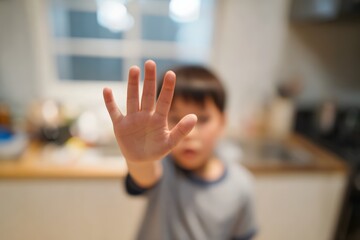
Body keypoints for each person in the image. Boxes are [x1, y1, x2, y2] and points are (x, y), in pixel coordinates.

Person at [103, 60, 257, 240]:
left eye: (204, 119)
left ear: (223, 122)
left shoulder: (241, 185)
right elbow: (145, 175)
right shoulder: (164, 166)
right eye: (176, 118)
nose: (189, 132)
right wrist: (140, 159)